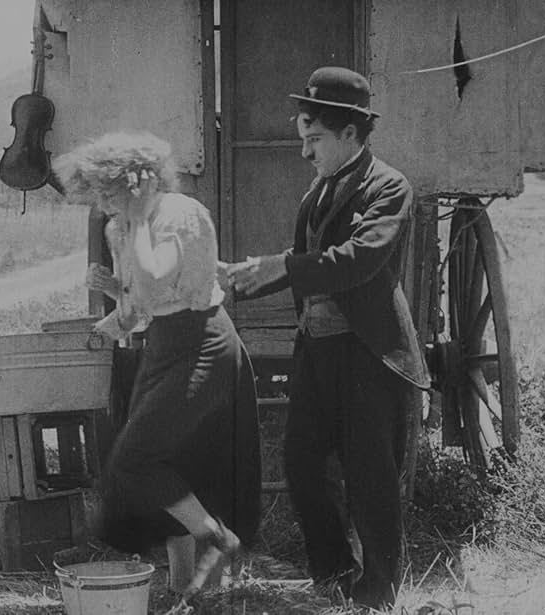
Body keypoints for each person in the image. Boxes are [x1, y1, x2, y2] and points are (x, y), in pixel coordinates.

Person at [227, 67, 430, 611]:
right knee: (302, 464)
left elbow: (360, 261)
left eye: (313, 140)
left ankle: (378, 592)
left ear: (350, 134)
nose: (305, 153)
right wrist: (251, 276)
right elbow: (307, 266)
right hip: (317, 350)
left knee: (371, 478)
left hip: (366, 352)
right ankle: (334, 574)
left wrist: (282, 267)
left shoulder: (389, 186)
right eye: (303, 140)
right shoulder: (318, 192)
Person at [53, 132, 261, 608]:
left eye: (107, 193)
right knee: (171, 465)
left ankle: (217, 538)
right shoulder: (120, 227)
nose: (102, 205)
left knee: (136, 459)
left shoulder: (179, 215)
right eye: (96, 196)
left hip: (203, 341)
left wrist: (141, 218)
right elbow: (139, 310)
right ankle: (185, 588)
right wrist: (110, 305)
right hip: (163, 346)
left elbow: (152, 278)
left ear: (133, 181)